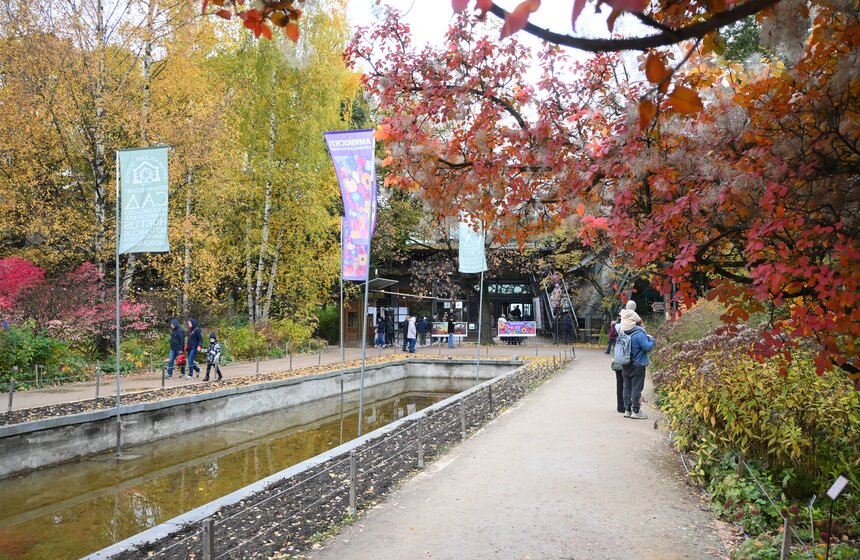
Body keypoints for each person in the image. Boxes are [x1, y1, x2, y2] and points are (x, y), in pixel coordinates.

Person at [619, 301, 654, 419]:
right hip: (638, 364)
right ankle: (636, 411)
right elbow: (647, 347)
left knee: (626, 387)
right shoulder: (639, 333)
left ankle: (627, 410)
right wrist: (651, 339)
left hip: (625, 363)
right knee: (636, 388)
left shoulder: (622, 332)